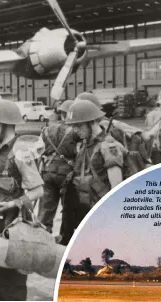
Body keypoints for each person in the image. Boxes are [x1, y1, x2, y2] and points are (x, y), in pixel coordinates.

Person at [0, 99, 45, 301]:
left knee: (12, 283)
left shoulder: (20, 152)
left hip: (14, 226)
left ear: (6, 123)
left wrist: (14, 203)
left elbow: (38, 190)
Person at [62, 100, 126, 235]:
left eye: (79, 126)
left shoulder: (108, 146)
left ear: (92, 122)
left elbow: (117, 187)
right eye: (73, 126)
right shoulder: (85, 145)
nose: (75, 130)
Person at [38, 99, 78, 240]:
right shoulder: (74, 131)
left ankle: (42, 239)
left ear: (60, 113)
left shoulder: (47, 130)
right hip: (67, 174)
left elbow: (39, 151)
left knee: (45, 210)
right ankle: (64, 240)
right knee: (67, 210)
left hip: (47, 172)